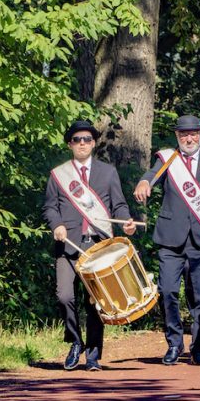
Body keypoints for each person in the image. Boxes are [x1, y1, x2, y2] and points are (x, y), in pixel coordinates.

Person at [134, 115, 200, 366]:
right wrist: (144, 182)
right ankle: (174, 344)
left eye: (193, 134)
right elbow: (151, 175)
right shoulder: (168, 158)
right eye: (183, 135)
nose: (189, 139)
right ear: (177, 137)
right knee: (167, 291)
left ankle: (199, 347)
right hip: (171, 239)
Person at [43, 119, 136, 371]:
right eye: (77, 140)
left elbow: (119, 204)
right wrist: (57, 225)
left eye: (87, 139)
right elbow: (50, 207)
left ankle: (93, 355)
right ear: (69, 144)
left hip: (98, 244)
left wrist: (126, 221)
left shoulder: (108, 172)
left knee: (95, 301)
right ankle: (75, 341)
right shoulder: (58, 175)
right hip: (69, 243)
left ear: (93, 143)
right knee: (64, 296)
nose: (82, 144)